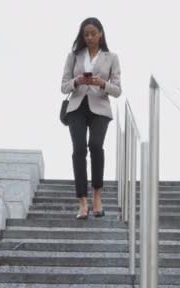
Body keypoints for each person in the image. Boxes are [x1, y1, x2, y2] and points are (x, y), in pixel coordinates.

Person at [61, 17, 122, 220]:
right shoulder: (74, 56)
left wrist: (101, 83)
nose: (89, 37)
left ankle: (97, 195)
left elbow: (118, 90)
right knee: (78, 150)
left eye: (93, 34)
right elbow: (63, 87)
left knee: (95, 146)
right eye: (86, 34)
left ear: (100, 34)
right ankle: (82, 202)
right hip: (77, 107)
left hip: (100, 107)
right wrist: (76, 81)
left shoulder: (111, 57)